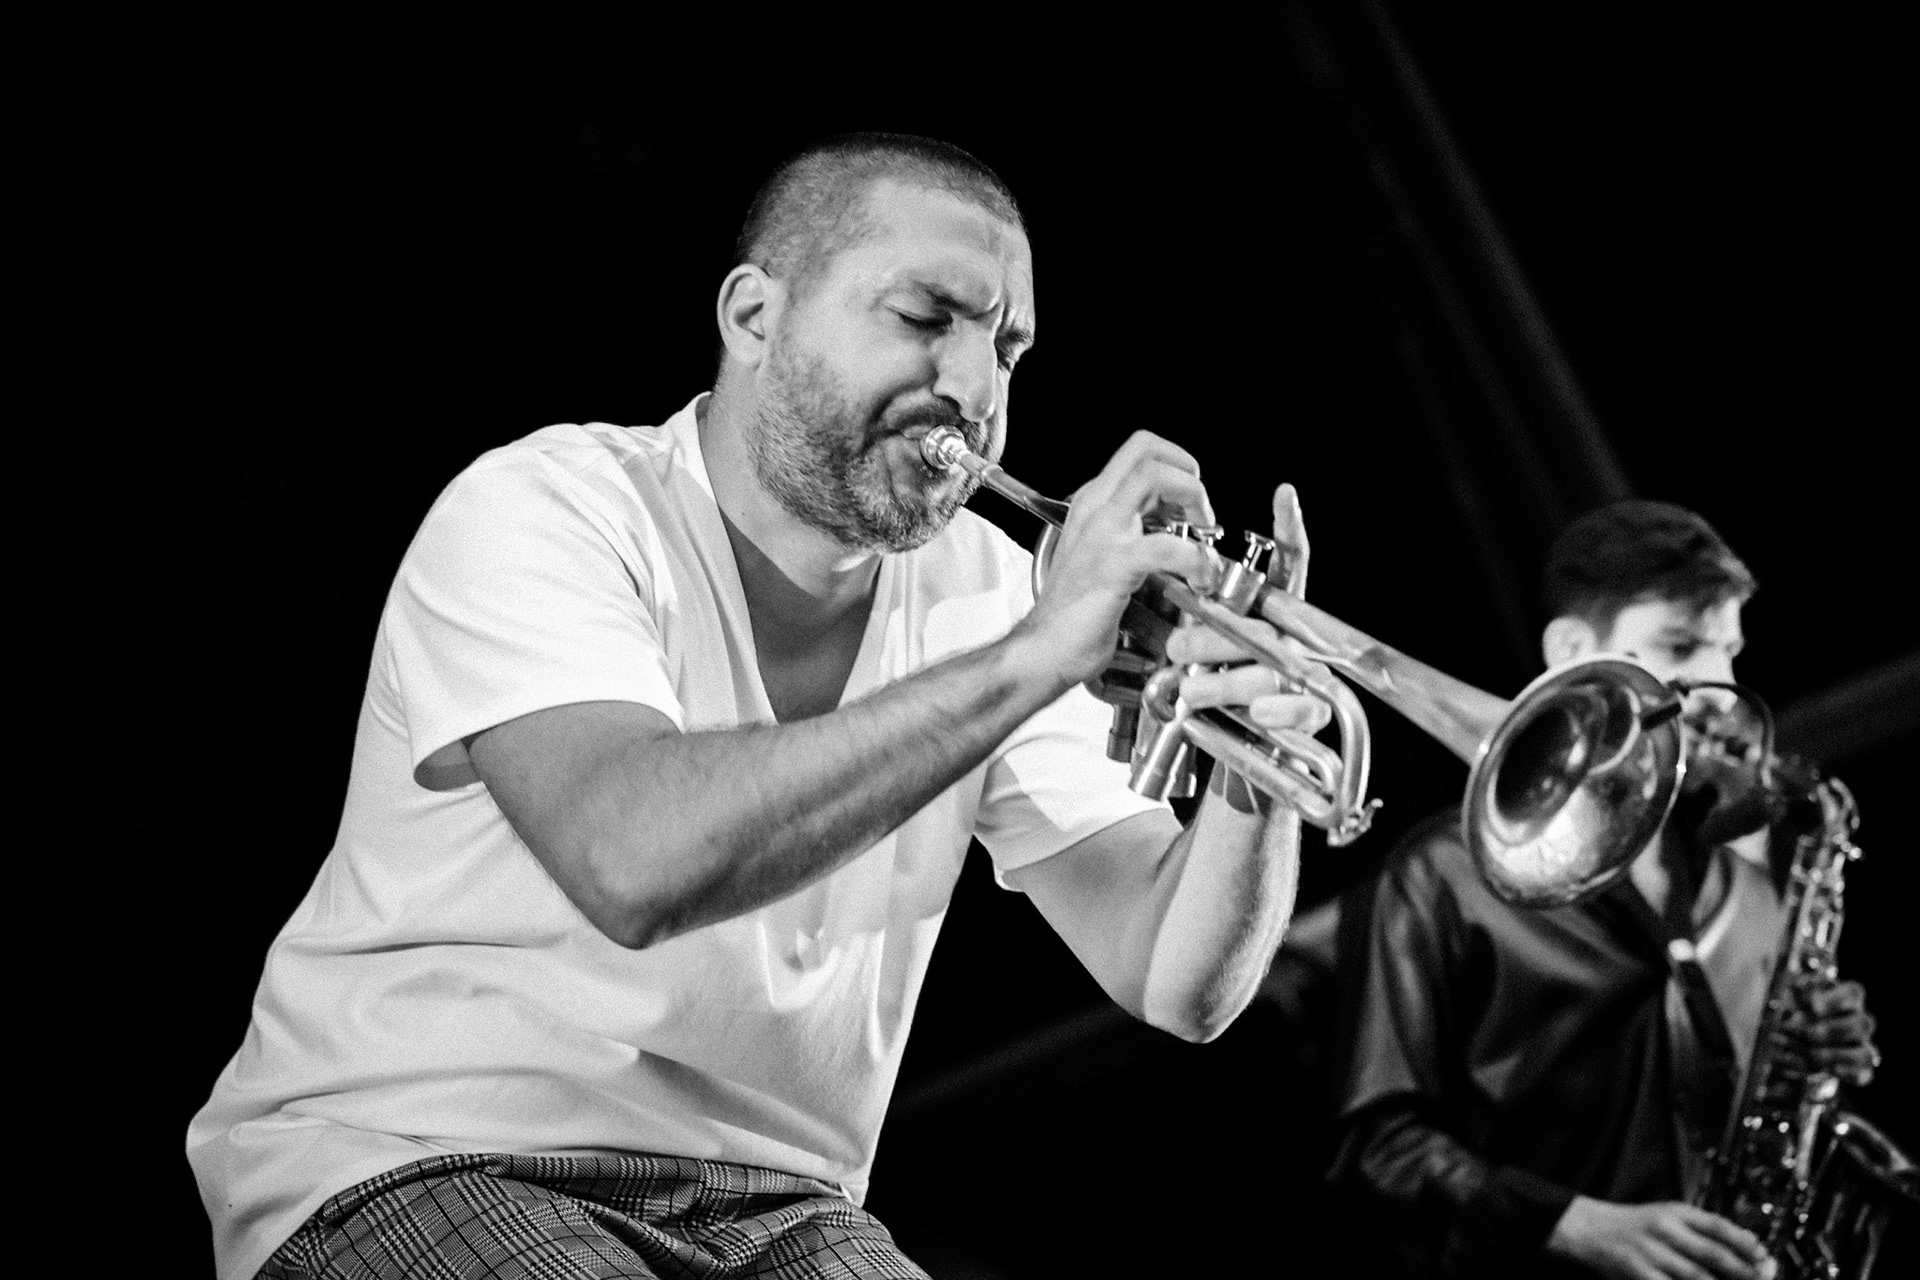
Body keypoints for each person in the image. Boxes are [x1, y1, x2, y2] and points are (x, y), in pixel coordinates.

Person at [187, 132, 1329, 1280]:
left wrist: (1249, 766)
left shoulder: (989, 595)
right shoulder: (545, 509)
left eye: (1009, 351)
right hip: (422, 1152)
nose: (978, 393)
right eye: (928, 317)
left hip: (785, 1206)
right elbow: (633, 862)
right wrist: (1033, 655)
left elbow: (1178, 978)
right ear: (752, 318)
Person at [1326, 498, 1884, 1279]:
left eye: (1729, 651)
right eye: (1681, 646)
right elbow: (1376, 1149)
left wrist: (1816, 1074)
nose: (1720, 688)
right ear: (1573, 650)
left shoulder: (1740, 871)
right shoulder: (1444, 873)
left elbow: (1764, 1117)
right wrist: (1573, 1225)